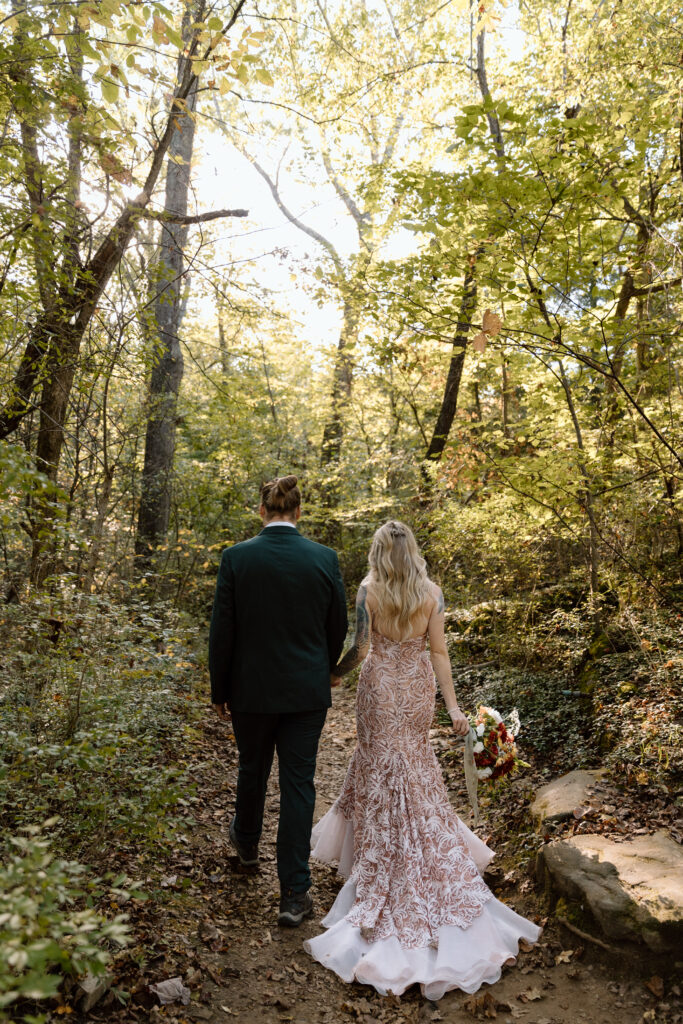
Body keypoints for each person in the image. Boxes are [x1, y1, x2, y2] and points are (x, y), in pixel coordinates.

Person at [304, 520, 540, 998]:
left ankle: (378, 861)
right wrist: (451, 707)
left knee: (376, 768)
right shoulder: (432, 592)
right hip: (415, 689)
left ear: (376, 551)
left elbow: (362, 648)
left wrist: (335, 674)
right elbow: (439, 653)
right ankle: (415, 854)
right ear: (412, 550)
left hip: (378, 688)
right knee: (412, 767)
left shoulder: (368, 590)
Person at [209, 475, 348, 927]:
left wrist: (220, 688)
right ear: (298, 512)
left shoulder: (236, 558)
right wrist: (323, 669)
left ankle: (247, 846)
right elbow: (337, 626)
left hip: (250, 690)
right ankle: (293, 894)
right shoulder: (324, 559)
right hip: (307, 692)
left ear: (262, 511)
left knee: (252, 768)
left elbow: (222, 631)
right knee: (298, 784)